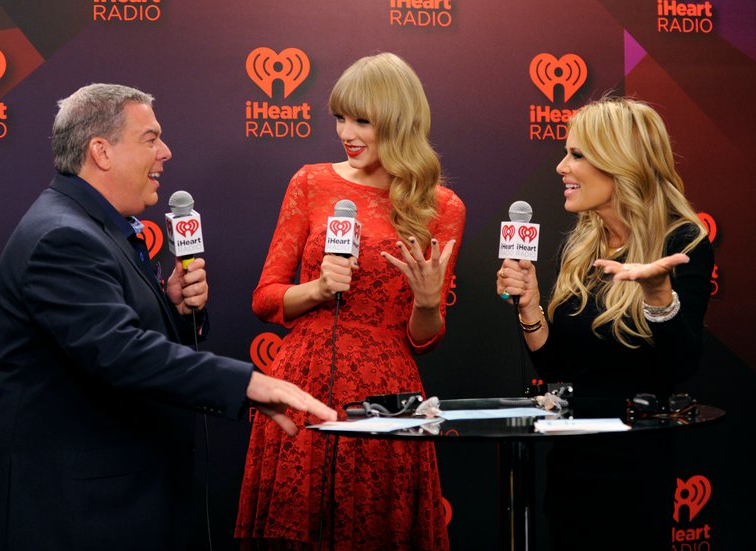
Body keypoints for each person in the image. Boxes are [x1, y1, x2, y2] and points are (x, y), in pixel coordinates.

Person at [0, 83, 336, 551]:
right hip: (76, 515)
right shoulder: (62, 238)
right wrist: (248, 383)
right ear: (101, 152)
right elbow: (120, 353)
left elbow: (110, 339)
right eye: (150, 138)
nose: (166, 152)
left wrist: (172, 308)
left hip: (118, 506)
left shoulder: (93, 227)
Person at [235, 53, 466, 550]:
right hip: (302, 381)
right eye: (340, 117)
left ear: (398, 122)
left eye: (363, 120)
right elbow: (265, 296)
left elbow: (423, 339)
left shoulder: (441, 208)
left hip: (386, 391)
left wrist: (428, 304)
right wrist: (318, 289)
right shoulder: (311, 182)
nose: (347, 132)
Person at [496, 96, 714, 550]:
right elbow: (558, 371)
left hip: (632, 469)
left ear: (621, 163)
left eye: (577, 155)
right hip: (571, 464)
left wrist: (658, 297)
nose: (561, 167)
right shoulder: (585, 241)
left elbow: (680, 367)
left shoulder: (681, 239)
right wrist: (531, 307)